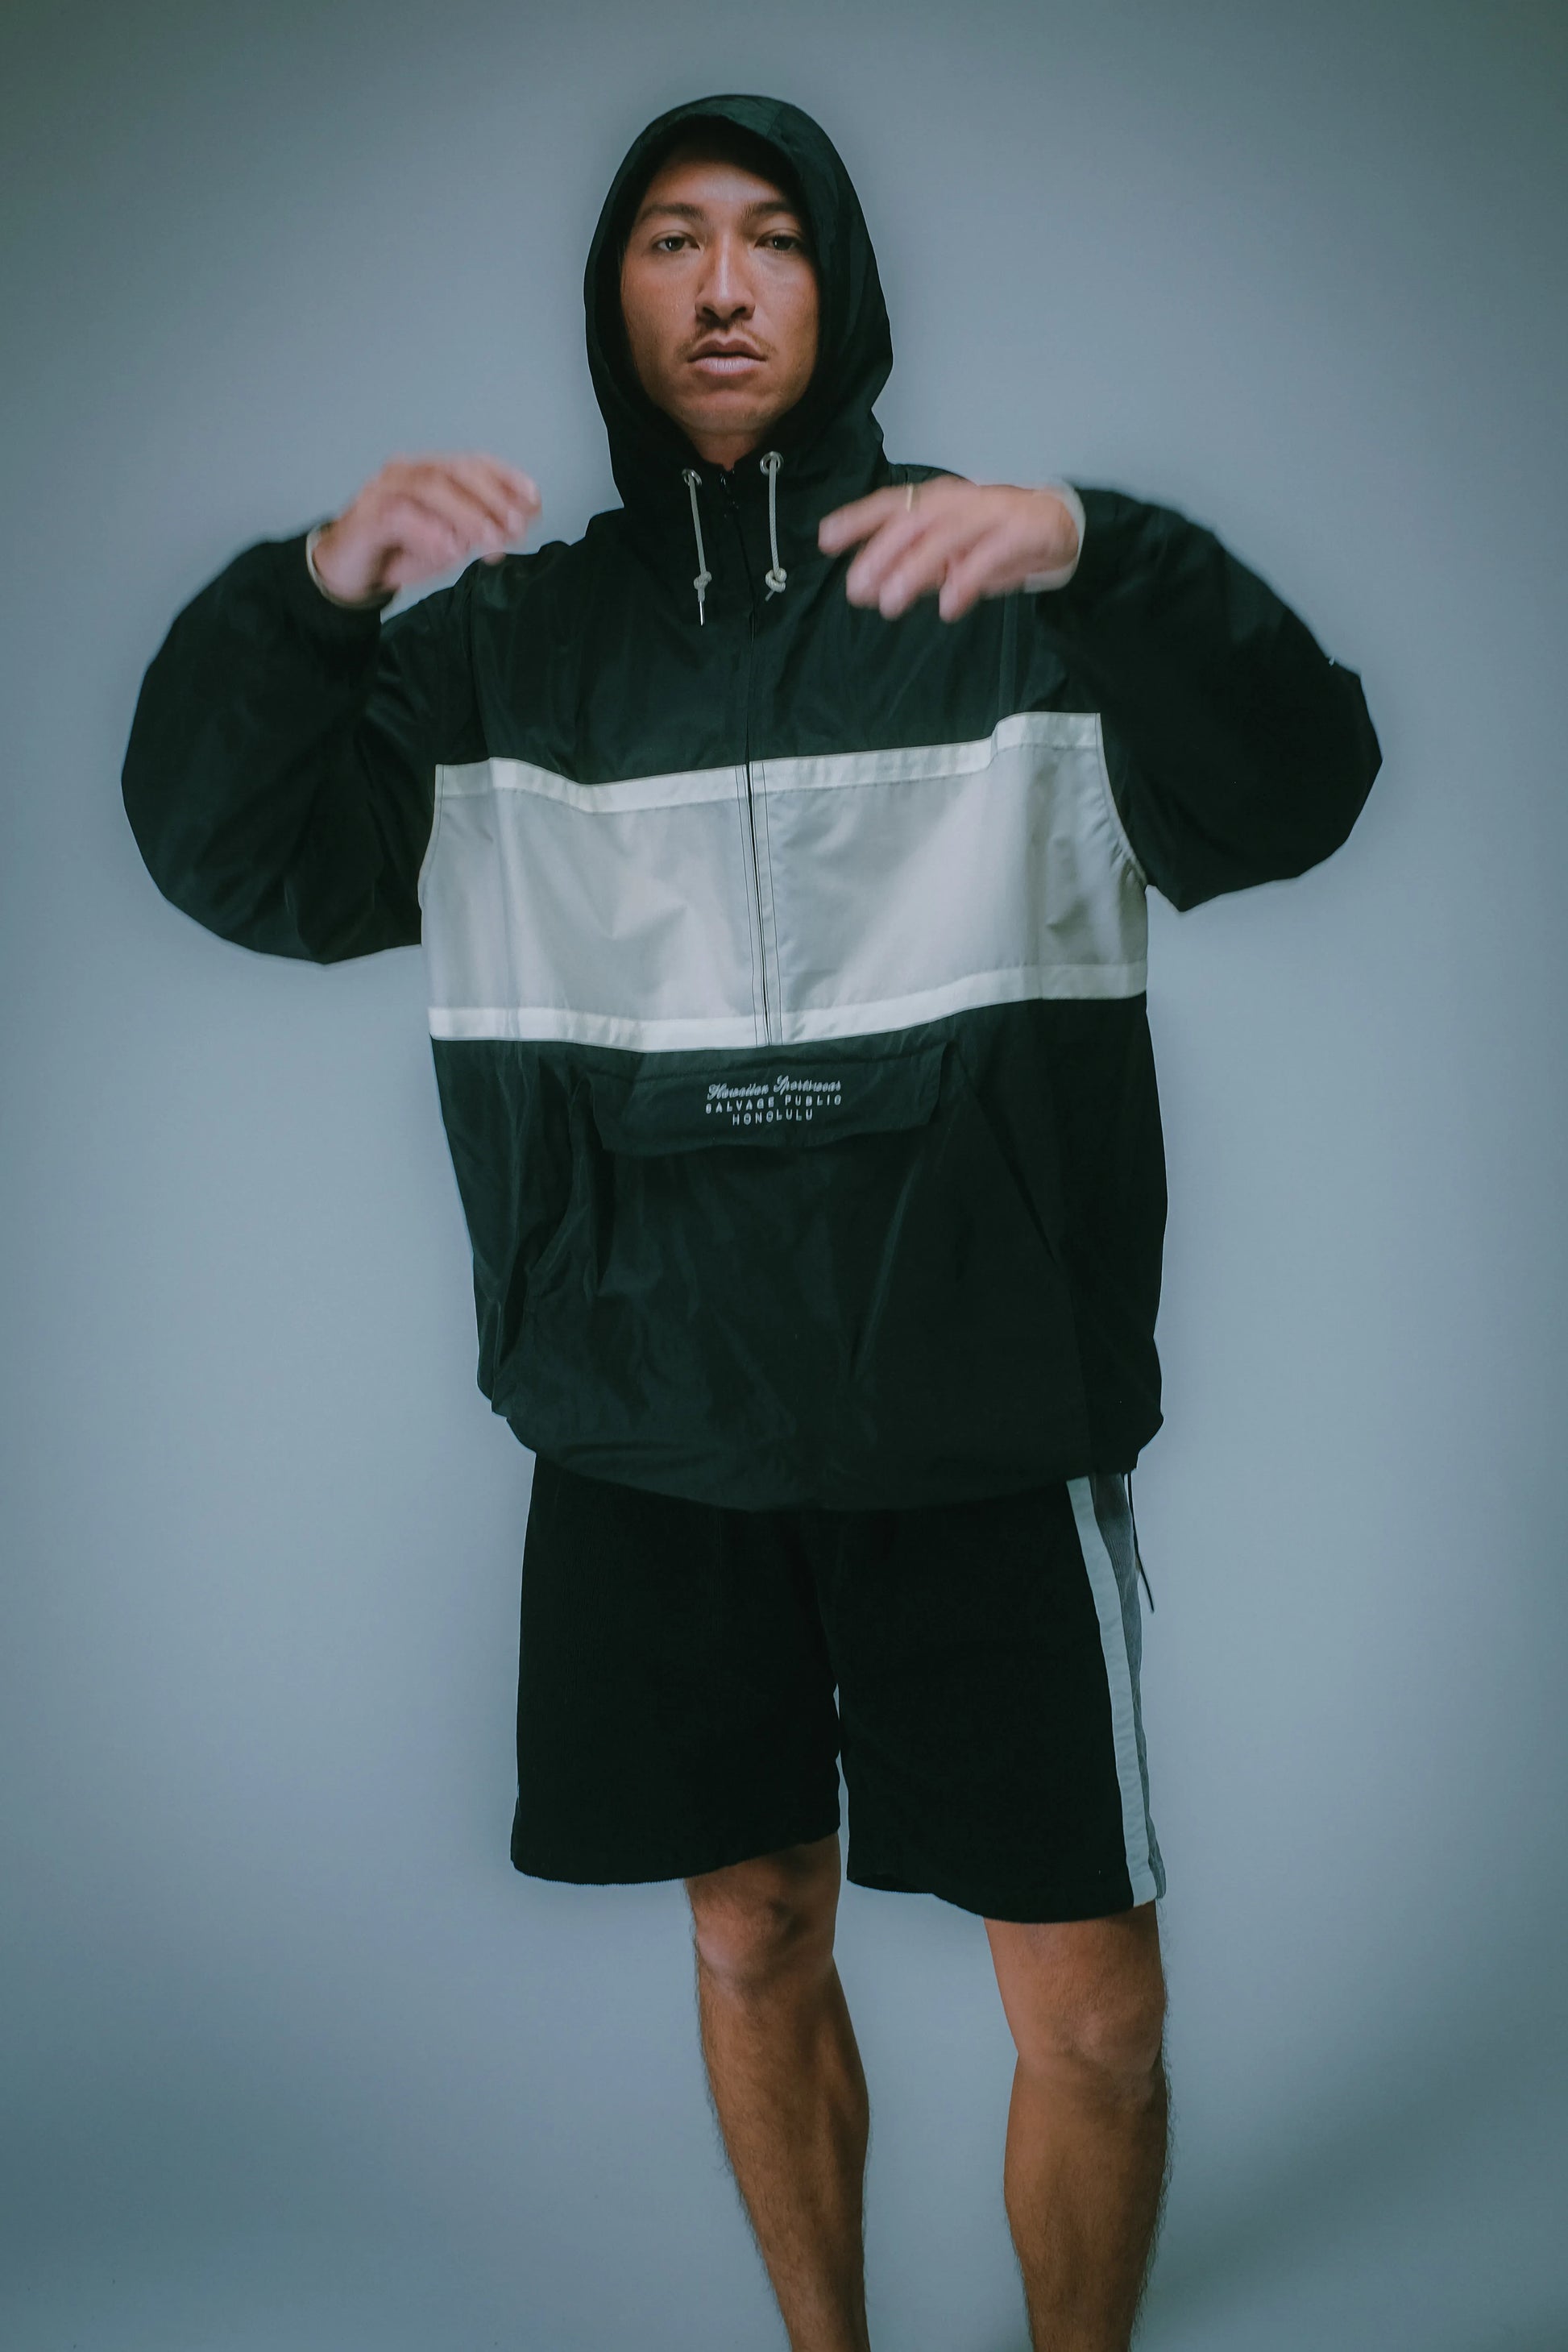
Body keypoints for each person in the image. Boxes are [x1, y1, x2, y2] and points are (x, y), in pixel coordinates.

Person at [122, 89, 1380, 2352]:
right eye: (671, 239)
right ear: (610, 296)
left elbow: (1296, 789)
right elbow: (233, 860)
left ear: (839, 286)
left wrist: (1106, 552)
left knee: (1091, 2017)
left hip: (973, 1417)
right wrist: (310, 598)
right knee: (748, 1932)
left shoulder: (1003, 593)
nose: (721, 284)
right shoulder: (495, 653)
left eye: (773, 236)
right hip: (656, 1424)